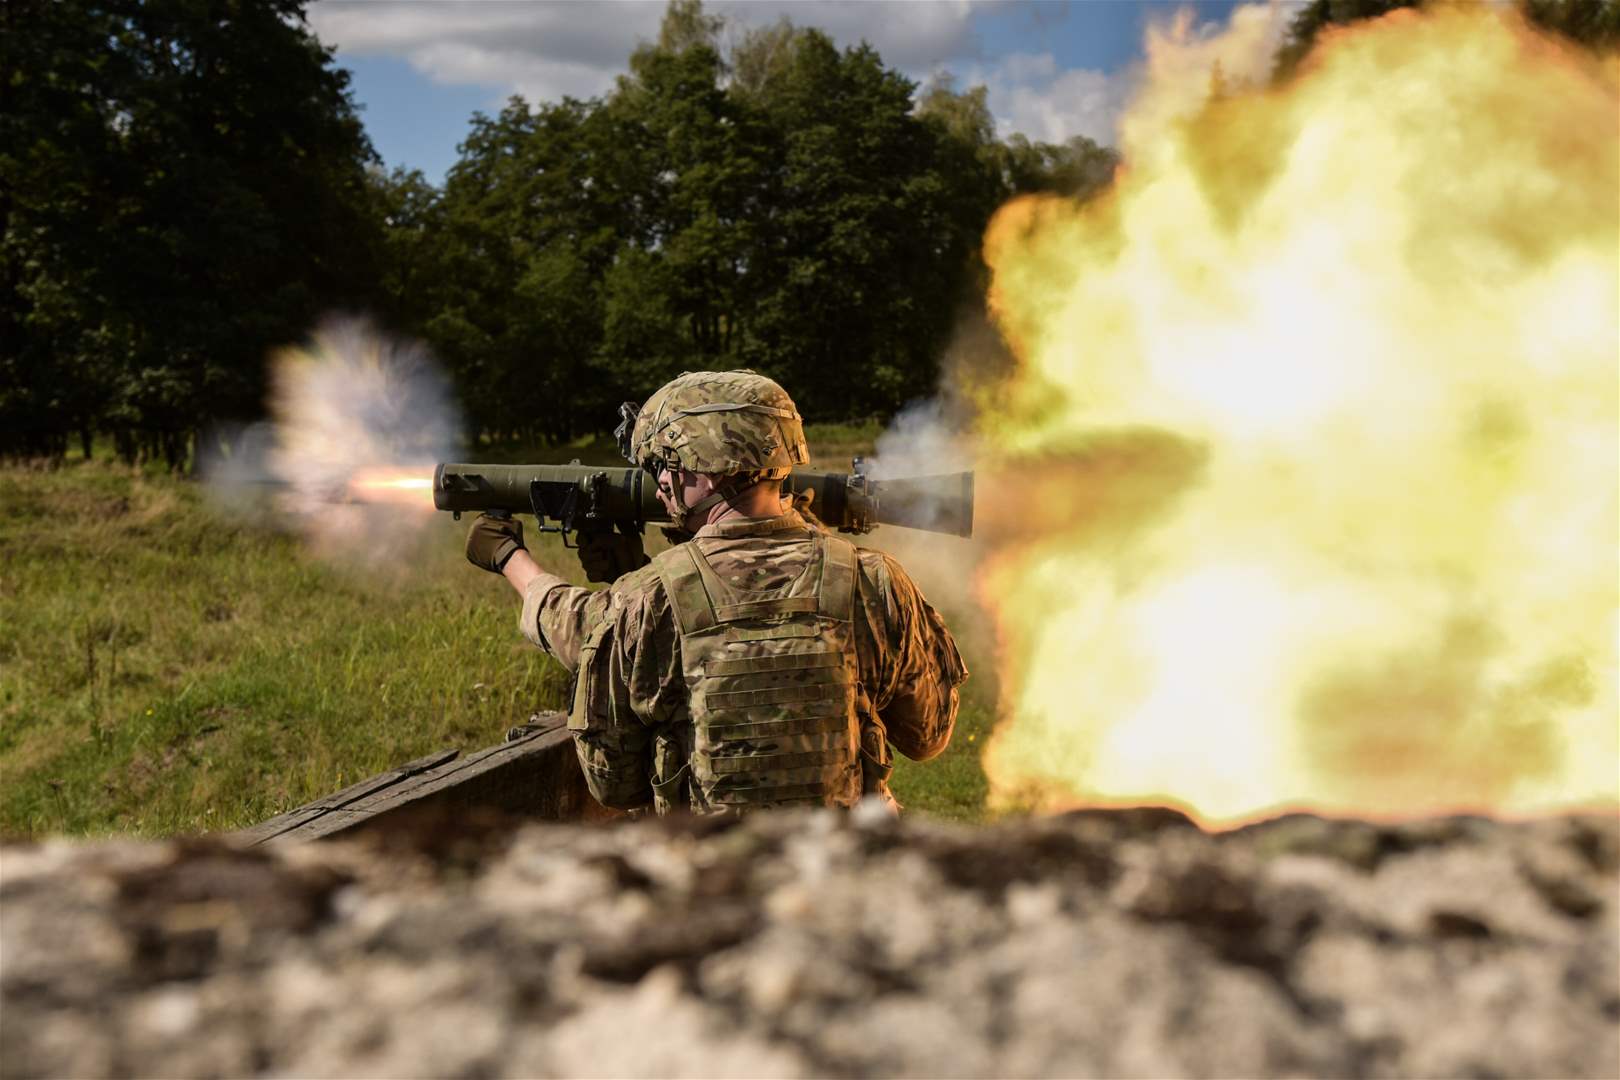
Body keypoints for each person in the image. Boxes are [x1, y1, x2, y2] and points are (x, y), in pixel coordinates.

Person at [464, 370, 966, 815]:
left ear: (698, 472)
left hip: (716, 889)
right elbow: (928, 735)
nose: (660, 482)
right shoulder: (876, 582)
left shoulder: (645, 600)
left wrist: (518, 559)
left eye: (666, 463)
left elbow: (613, 785)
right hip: (848, 883)